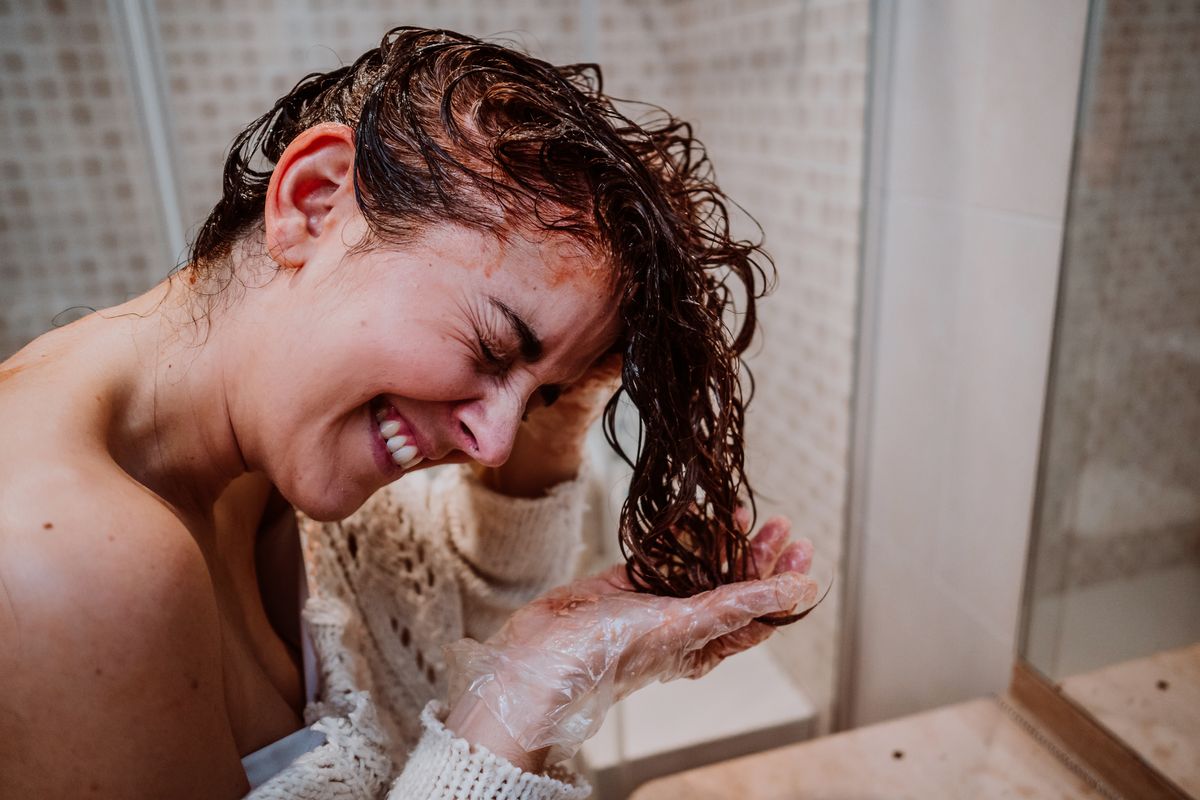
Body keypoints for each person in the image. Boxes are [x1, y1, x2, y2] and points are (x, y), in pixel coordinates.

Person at [0, 27, 818, 799]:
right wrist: (520, 704)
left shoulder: (264, 455)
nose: (496, 444)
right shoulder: (61, 557)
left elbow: (447, 608)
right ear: (316, 201)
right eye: (494, 345)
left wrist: (560, 410)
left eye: (537, 395)